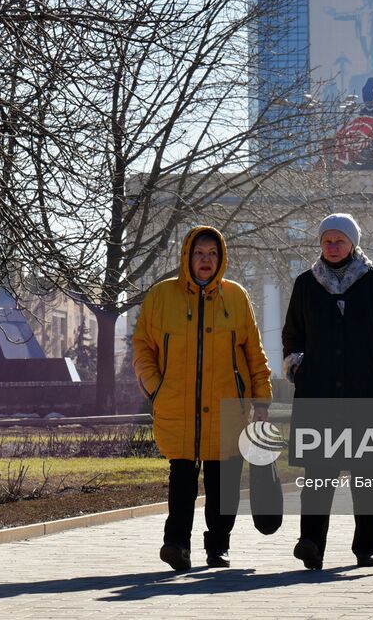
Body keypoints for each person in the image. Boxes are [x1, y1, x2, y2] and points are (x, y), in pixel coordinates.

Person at [132, 226, 272, 571]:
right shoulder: (162, 297)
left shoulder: (236, 297)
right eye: (199, 253)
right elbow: (142, 347)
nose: (205, 260)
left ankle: (218, 547)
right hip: (178, 404)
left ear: (220, 258)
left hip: (228, 407)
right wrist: (156, 387)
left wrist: (262, 401)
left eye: (212, 253)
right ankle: (176, 544)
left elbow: (255, 353)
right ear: (186, 257)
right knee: (181, 478)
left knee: (222, 483)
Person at [282, 213, 373, 571]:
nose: (332, 247)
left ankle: (367, 546)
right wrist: (297, 363)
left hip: (366, 394)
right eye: (326, 241)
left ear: (353, 243)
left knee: (368, 476)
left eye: (339, 241)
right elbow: (292, 333)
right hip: (318, 394)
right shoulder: (306, 284)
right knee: (317, 475)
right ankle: (311, 544)